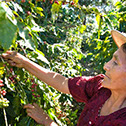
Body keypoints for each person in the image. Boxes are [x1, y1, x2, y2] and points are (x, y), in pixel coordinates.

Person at [2, 30, 126, 126]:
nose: (106, 66)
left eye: (116, 63)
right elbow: (63, 83)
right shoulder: (101, 88)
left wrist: (48, 122)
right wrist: (23, 62)